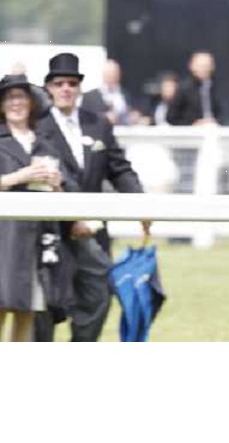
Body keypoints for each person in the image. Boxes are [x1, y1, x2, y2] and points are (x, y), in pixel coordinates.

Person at [34, 52, 149, 342]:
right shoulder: (37, 125)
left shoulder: (98, 123)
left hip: (92, 234)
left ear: (80, 87)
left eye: (72, 83)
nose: (65, 89)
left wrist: (142, 206)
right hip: (50, 234)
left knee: (97, 298)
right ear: (48, 87)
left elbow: (119, 169)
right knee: (45, 307)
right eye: (59, 83)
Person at [0, 74, 76, 342]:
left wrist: (57, 184)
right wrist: (16, 177)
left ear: (31, 103)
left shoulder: (45, 143)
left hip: (37, 242)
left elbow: (69, 187)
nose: (16, 103)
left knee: (26, 314)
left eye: (21, 97)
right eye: (9, 98)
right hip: (3, 241)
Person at [166, 51, 222, 125]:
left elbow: (222, 113)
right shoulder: (184, 89)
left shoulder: (215, 87)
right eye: (201, 66)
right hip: (191, 133)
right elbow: (171, 117)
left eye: (207, 66)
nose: (204, 69)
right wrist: (192, 124)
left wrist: (215, 121)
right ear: (192, 66)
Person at [81, 59, 135, 125]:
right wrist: (103, 118)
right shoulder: (89, 97)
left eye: (115, 73)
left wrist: (133, 118)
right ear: (103, 75)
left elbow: (128, 115)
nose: (112, 76)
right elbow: (83, 117)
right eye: (109, 73)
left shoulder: (125, 95)